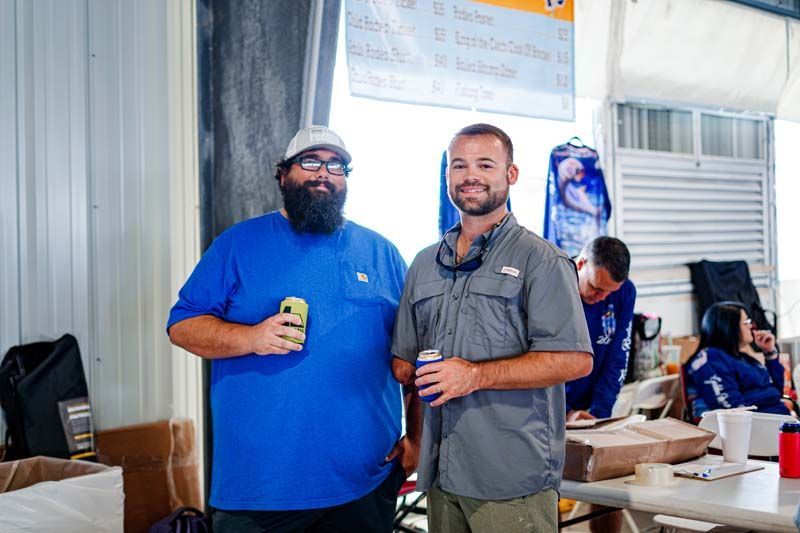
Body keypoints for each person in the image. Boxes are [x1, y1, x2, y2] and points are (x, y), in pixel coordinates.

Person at [167, 125, 418, 532]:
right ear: (282, 174)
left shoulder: (381, 252)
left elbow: (414, 355)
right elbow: (182, 326)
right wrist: (251, 337)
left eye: (336, 165)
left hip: (364, 483)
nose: (324, 173)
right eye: (311, 161)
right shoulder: (238, 245)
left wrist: (419, 440)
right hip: (262, 489)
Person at [391, 123, 593, 532]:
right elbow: (404, 364)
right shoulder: (424, 264)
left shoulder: (542, 260)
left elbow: (574, 360)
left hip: (510, 478)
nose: (471, 176)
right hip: (442, 473)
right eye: (459, 165)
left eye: (486, 164)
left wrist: (475, 375)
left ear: (511, 175)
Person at [565, 237, 637, 422]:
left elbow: (617, 359)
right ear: (581, 264)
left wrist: (598, 416)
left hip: (591, 406)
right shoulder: (554, 286)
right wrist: (564, 411)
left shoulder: (625, 292)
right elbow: (540, 361)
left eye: (610, 292)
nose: (602, 297)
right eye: (596, 288)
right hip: (549, 404)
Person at [685, 301, 789, 418]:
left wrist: (769, 353)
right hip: (753, 426)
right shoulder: (711, 359)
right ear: (729, 327)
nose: (752, 325)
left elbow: (777, 390)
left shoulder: (743, 358)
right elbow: (732, 409)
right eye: (746, 322)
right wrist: (767, 396)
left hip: (777, 420)